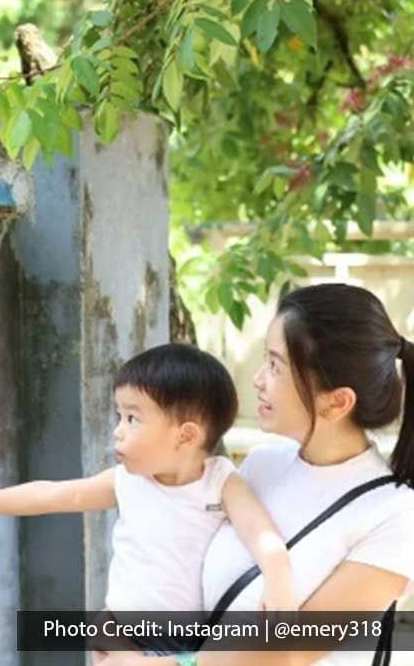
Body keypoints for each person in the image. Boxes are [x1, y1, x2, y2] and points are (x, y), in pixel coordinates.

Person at [94, 283, 414, 666]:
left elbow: (293, 651)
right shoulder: (263, 464)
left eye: (276, 366)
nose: (258, 379)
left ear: (337, 401)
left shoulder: (394, 515)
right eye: (265, 359)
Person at [0, 343, 298, 655]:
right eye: (119, 415)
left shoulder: (221, 482)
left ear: (185, 436)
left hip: (183, 641)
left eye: (133, 419)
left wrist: (279, 588)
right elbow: (52, 494)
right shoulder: (127, 481)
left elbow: (263, 537)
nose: (117, 432)